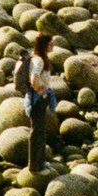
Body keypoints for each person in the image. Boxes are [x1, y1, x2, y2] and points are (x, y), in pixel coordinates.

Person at [21, 30, 60, 174]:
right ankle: (36, 167)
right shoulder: (39, 60)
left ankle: (39, 163)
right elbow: (33, 79)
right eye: (51, 44)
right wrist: (40, 90)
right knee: (38, 133)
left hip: (35, 98)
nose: (53, 46)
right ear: (44, 45)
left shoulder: (35, 57)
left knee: (39, 131)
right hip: (37, 99)